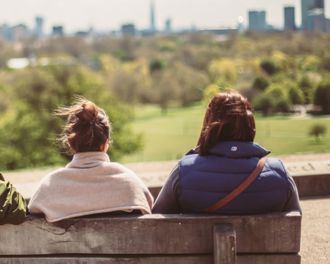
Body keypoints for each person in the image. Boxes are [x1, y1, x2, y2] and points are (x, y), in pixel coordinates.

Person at [153, 91, 301, 214]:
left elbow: (157, 220)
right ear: (250, 125)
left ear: (209, 125)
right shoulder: (279, 172)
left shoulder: (183, 171)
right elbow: (295, 217)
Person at [28, 98, 153, 222]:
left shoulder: (49, 187)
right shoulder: (130, 183)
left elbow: (32, 213)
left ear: (71, 144)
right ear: (105, 144)